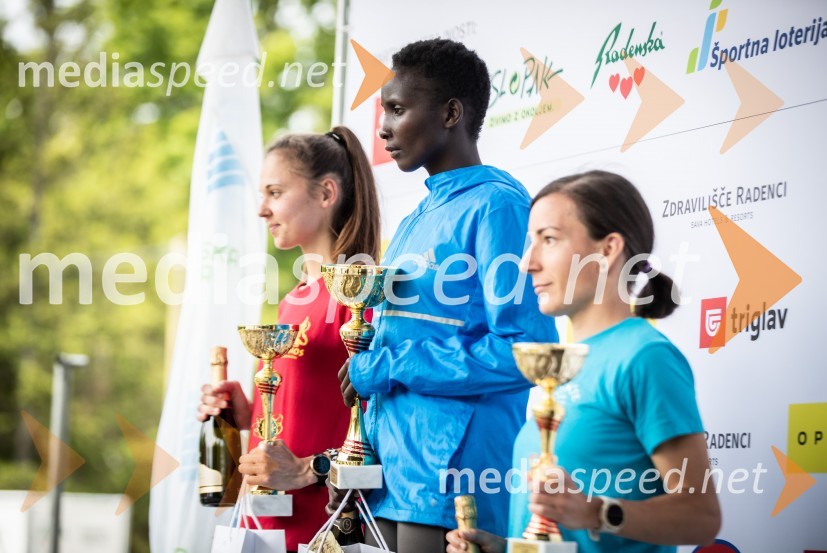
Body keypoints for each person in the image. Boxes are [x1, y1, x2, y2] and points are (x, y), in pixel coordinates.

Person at [336, 38, 558, 553]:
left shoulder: (498, 207)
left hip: (453, 478)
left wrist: (392, 364)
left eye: (397, 109)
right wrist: (357, 458)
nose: (383, 129)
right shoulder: (415, 220)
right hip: (389, 480)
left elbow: (527, 353)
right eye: (383, 111)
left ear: (451, 113)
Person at [446, 170, 721, 553]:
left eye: (549, 240)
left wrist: (597, 513)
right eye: (530, 242)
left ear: (608, 249)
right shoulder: (562, 364)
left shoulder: (645, 357)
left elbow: (701, 517)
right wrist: (504, 547)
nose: (527, 263)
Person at [197, 126, 381, 552]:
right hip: (267, 526)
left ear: (326, 193)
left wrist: (308, 469)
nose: (262, 209)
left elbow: (384, 434)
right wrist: (249, 416)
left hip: (329, 527)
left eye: (275, 193)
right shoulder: (292, 301)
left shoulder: (361, 296)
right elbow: (309, 411)